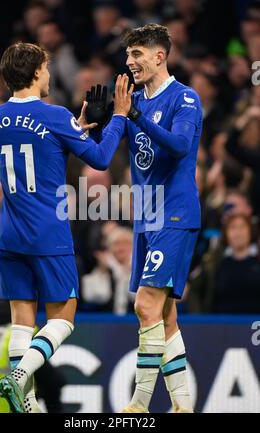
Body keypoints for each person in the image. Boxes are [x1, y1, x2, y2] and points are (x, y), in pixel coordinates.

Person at [0, 42, 133, 413]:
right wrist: (119, 117)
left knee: (22, 319)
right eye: (47, 69)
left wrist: (73, 132)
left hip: (10, 233)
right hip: (47, 233)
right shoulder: (54, 116)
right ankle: (19, 379)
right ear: (36, 72)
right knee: (64, 318)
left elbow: (36, 147)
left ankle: (30, 406)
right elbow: (99, 158)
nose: (50, 75)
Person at [86, 24, 203, 413]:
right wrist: (97, 124)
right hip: (146, 217)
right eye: (128, 54)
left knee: (144, 307)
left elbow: (179, 146)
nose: (129, 61)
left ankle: (138, 403)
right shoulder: (132, 101)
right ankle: (182, 406)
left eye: (137, 54)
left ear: (159, 56)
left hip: (174, 212)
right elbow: (103, 157)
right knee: (165, 316)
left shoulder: (185, 98)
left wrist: (136, 115)